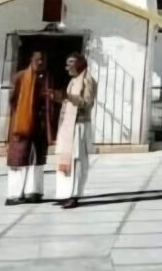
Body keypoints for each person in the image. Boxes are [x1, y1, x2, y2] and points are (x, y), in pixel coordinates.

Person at [6, 51, 53, 206]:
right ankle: (14, 194)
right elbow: (13, 101)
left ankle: (33, 192)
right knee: (18, 159)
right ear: (31, 60)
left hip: (39, 125)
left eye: (43, 60)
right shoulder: (20, 77)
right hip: (21, 124)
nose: (40, 62)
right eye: (37, 59)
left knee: (36, 159)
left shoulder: (46, 78)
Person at [52, 53, 96, 209]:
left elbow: (87, 102)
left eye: (71, 62)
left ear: (80, 64)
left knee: (77, 161)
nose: (67, 66)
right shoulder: (73, 81)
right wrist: (58, 97)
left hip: (79, 125)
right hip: (68, 125)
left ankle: (74, 195)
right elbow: (69, 101)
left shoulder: (87, 80)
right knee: (65, 159)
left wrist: (68, 96)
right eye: (67, 63)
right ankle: (64, 194)